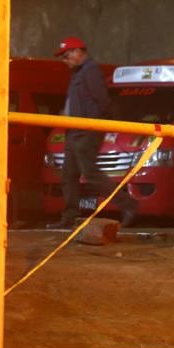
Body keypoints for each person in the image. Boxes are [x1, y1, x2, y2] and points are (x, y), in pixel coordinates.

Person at [46, 37, 138, 229]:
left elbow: (102, 100)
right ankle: (69, 217)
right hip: (73, 132)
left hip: (86, 131)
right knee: (68, 175)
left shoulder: (90, 70)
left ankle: (128, 205)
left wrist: (93, 126)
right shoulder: (78, 73)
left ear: (78, 51)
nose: (65, 60)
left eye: (66, 55)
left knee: (91, 174)